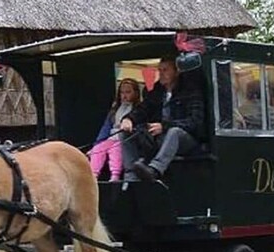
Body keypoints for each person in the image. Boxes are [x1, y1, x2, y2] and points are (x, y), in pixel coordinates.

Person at [120, 54, 206, 182]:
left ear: (176, 72)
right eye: (159, 70)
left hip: (186, 140)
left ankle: (154, 170)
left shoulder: (190, 91)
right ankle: (131, 176)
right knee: (126, 134)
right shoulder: (156, 91)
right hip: (160, 138)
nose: (161, 73)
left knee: (174, 132)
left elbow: (195, 122)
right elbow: (143, 109)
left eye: (165, 70)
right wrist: (128, 119)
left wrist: (165, 126)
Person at [88, 78, 140, 181]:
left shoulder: (138, 109)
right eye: (122, 92)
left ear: (136, 93)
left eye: (128, 92)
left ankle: (115, 175)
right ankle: (93, 174)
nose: (124, 95)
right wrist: (95, 145)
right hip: (111, 137)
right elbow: (106, 128)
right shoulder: (115, 109)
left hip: (124, 138)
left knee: (116, 151)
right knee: (98, 149)